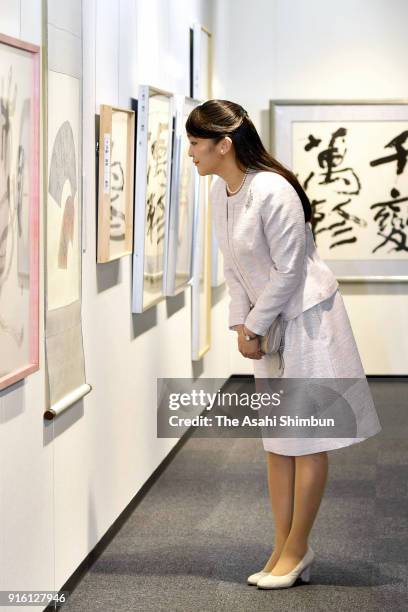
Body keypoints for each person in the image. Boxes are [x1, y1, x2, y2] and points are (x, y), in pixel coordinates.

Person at [186, 99, 382, 590]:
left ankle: (297, 548)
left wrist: (254, 326)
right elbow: (232, 269)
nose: (190, 153)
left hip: (308, 321)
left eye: (194, 143)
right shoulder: (222, 192)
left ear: (223, 145)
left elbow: (290, 270)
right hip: (268, 323)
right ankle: (282, 545)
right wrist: (240, 326)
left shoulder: (273, 189)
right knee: (278, 438)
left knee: (307, 437)